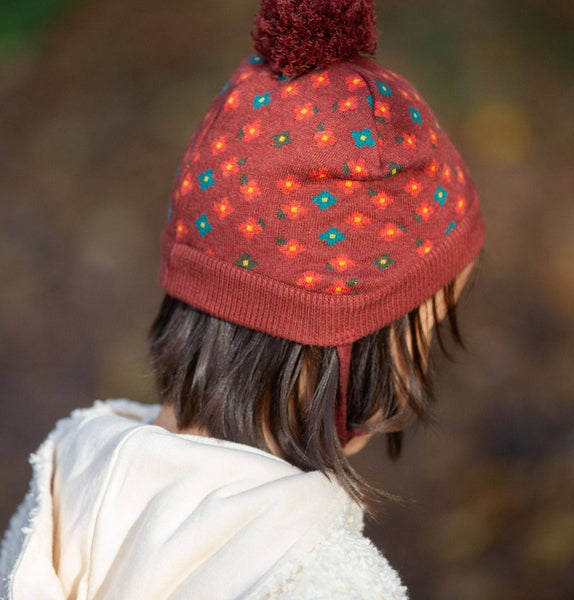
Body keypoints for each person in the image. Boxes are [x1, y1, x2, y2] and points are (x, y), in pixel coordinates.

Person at [0, 1, 485, 598]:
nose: (421, 370)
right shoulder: (326, 580)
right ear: (352, 341)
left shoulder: (69, 476)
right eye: (428, 334)